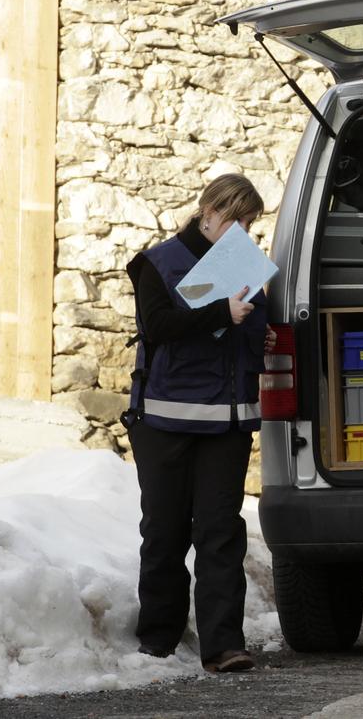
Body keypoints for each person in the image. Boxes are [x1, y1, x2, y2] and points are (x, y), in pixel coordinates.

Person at [123, 173, 274, 674]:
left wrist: (261, 338)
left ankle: (224, 646)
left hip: (228, 423)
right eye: (234, 219)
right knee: (165, 531)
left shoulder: (246, 265)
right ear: (207, 210)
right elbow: (158, 327)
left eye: (248, 223)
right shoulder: (158, 263)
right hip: (165, 420)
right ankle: (158, 641)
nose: (241, 231)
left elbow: (246, 328)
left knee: (220, 533)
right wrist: (219, 314)